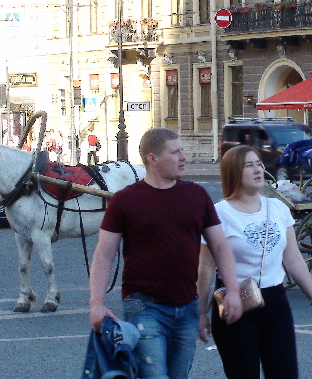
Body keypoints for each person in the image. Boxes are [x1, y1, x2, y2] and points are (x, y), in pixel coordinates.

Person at [89, 127, 243, 379]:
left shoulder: (196, 195)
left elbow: (220, 246)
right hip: (144, 306)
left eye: (182, 150)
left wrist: (233, 292)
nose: (183, 157)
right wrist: (96, 304)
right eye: (175, 152)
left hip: (187, 306)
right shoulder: (125, 200)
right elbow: (104, 255)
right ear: (153, 159)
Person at [197, 145, 312, 379]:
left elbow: (293, 258)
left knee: (285, 373)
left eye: (259, 164)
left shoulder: (277, 208)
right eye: (249, 165)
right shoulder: (219, 213)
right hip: (234, 302)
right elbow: (205, 267)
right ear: (233, 172)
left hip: (275, 301)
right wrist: (201, 313)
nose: (258, 170)